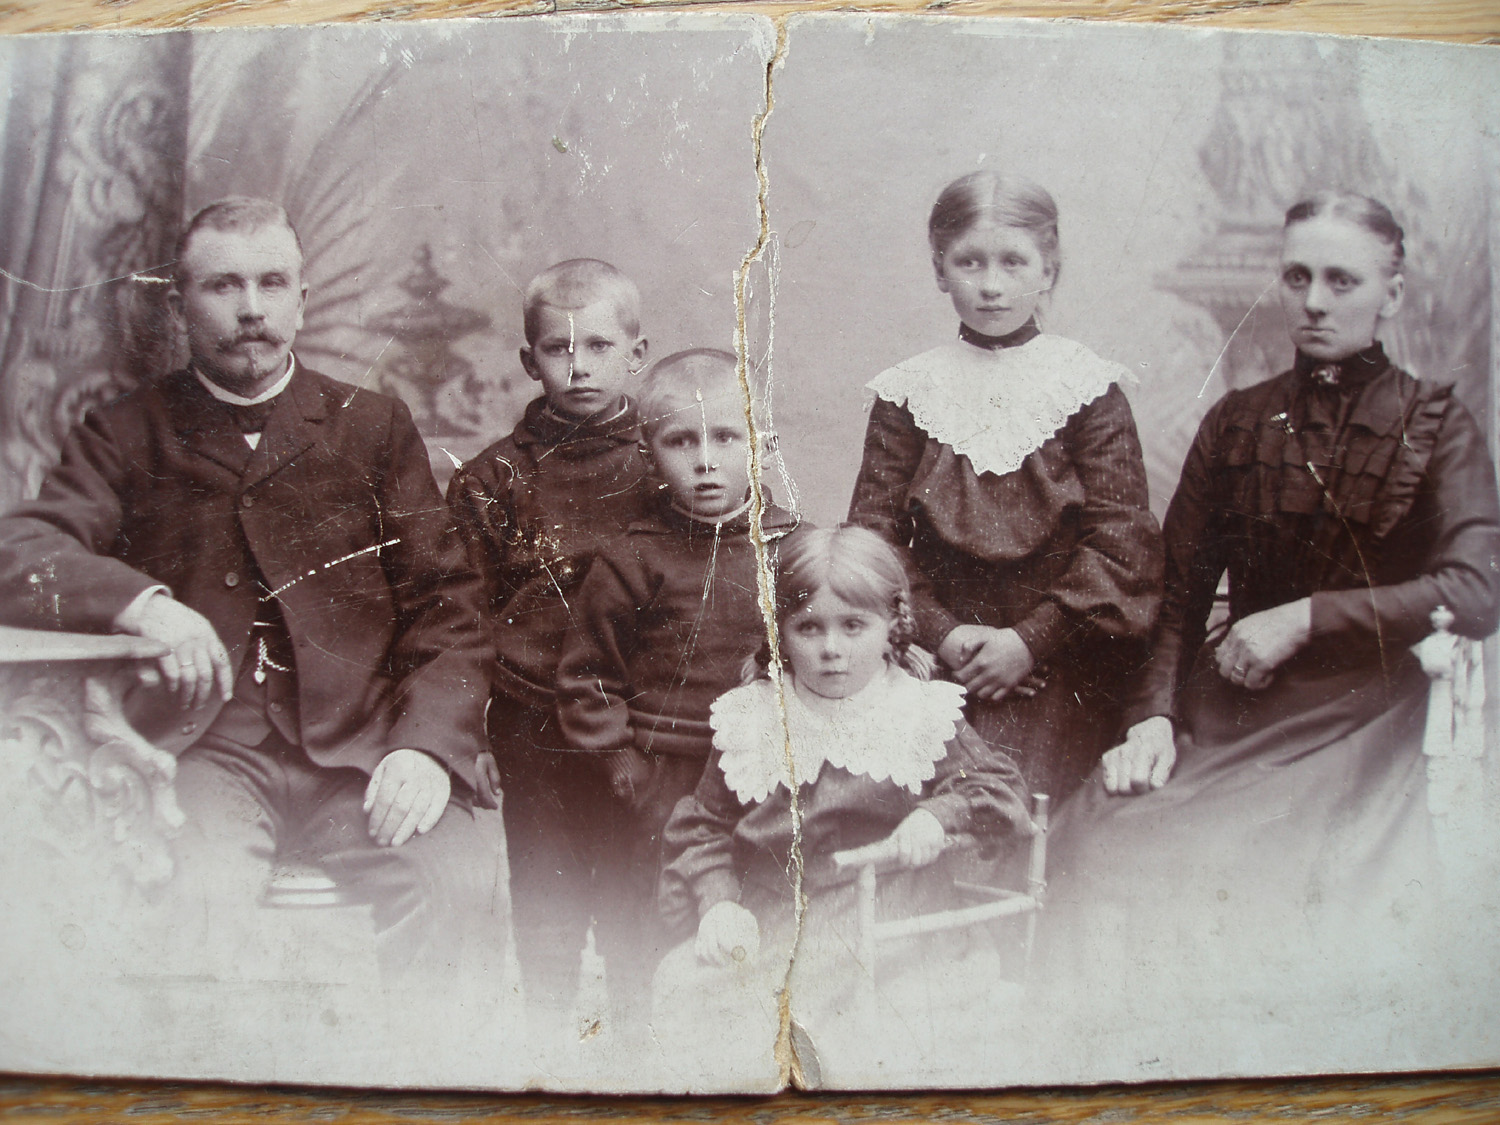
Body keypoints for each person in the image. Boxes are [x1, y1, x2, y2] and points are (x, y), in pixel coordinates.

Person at [1039, 192, 1500, 1061]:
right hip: (1233, 703)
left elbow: (1479, 590)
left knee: (1226, 859)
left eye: (1342, 280)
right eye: (1297, 277)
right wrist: (1152, 717)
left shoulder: (1439, 424)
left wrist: (1308, 617)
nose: (1315, 301)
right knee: (1095, 832)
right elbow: (1176, 592)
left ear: (1392, 294)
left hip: (1361, 715)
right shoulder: (1238, 421)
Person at [0, 197, 505, 982]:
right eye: (222, 285)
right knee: (187, 900)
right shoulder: (126, 431)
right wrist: (144, 607)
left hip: (364, 753)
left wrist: (426, 746)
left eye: (271, 283)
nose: (250, 309)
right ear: (178, 306)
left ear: (302, 299)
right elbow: (19, 550)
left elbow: (453, 609)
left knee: (460, 888)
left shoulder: (373, 426)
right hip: (205, 752)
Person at [652, 524, 1032, 1084]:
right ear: (781, 632)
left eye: (854, 626)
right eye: (809, 627)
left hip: (892, 917)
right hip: (775, 915)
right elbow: (703, 826)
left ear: (891, 626)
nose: (831, 649)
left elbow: (997, 786)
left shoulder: (918, 712)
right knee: (681, 985)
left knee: (824, 1023)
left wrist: (936, 815)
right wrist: (718, 902)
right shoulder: (753, 716)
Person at [848, 171, 1162, 803]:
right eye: (969, 262)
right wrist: (945, 635)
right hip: (934, 662)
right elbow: (874, 540)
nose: (991, 285)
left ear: (1049, 269)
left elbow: (1122, 541)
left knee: (1024, 808)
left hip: (1062, 664)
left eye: (1013, 262)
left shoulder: (1088, 389)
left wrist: (1029, 642)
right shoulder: (908, 393)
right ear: (940, 270)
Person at [553, 347, 797, 1030]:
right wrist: (623, 764)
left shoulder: (793, 547)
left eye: (728, 437)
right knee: (654, 914)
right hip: (666, 770)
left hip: (764, 769)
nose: (706, 460)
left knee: (756, 908)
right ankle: (640, 1054)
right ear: (647, 452)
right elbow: (587, 675)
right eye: (681, 441)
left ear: (763, 443)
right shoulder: (633, 556)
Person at [447, 258, 656, 1034]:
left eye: (599, 346)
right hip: (531, 718)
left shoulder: (669, 462)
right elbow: (458, 616)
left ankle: (639, 1049)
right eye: (559, 348)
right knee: (546, 891)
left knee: (641, 892)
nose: (579, 366)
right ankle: (545, 1050)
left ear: (637, 352)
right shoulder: (492, 479)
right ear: (529, 359)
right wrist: (467, 734)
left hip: (642, 718)